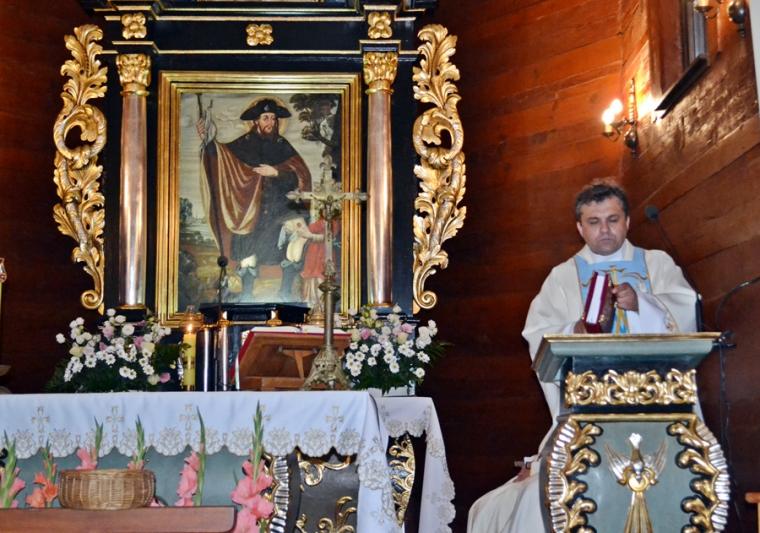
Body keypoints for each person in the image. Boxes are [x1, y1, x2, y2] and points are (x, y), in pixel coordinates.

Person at [467, 180, 698, 533]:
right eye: (594, 222)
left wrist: (642, 303)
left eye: (612, 219)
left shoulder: (657, 264)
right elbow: (537, 334)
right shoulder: (562, 277)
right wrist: (578, 328)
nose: (604, 229)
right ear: (580, 228)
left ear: (627, 222)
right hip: (588, 407)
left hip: (657, 404)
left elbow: (687, 310)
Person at [197, 98, 312, 300]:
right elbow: (222, 158)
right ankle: (247, 296)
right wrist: (207, 140)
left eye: (273, 118)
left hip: (279, 208)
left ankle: (285, 293)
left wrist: (276, 172)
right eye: (265, 118)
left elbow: (301, 174)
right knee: (247, 251)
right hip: (250, 208)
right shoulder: (244, 143)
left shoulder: (282, 145)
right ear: (256, 121)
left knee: (295, 240)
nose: (270, 123)